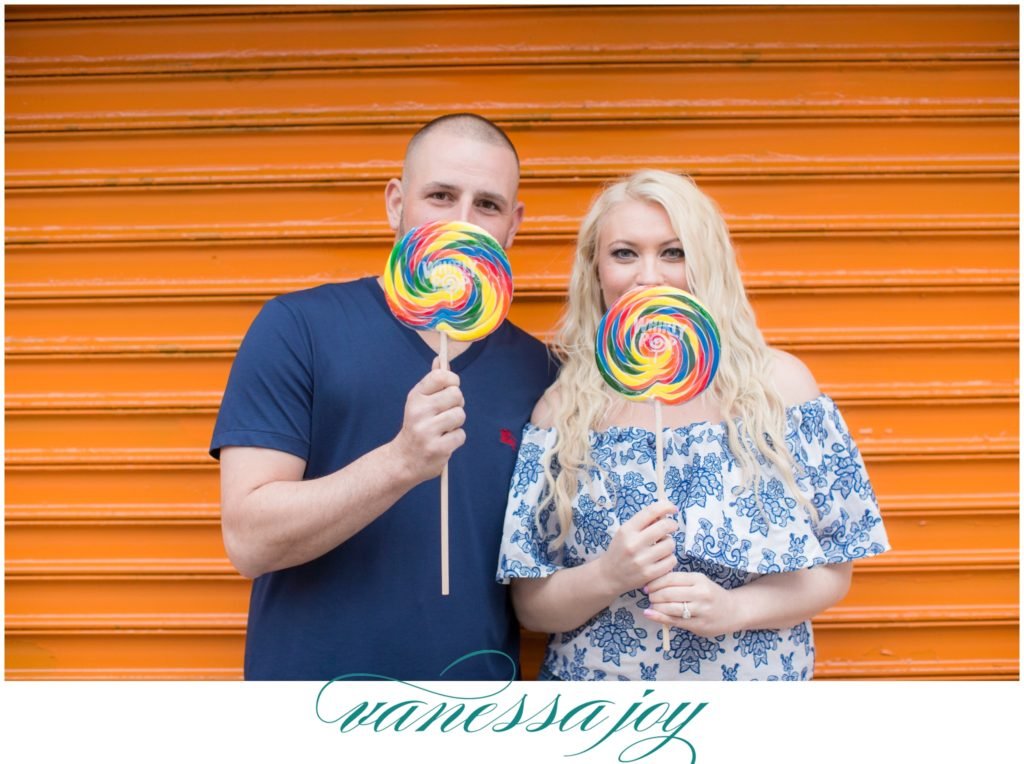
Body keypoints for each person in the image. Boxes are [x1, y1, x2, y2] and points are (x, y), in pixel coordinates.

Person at [496, 169, 890, 681]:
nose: (649, 276)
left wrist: (735, 609)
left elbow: (835, 571)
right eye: (624, 253)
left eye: (674, 252)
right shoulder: (561, 411)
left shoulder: (781, 389)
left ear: (707, 263)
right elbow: (532, 607)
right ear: (596, 269)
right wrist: (608, 574)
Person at [211, 113, 557, 680]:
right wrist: (401, 462)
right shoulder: (297, 328)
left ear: (513, 225)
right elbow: (249, 541)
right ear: (396, 204)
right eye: (440, 196)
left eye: (487, 205)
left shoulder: (541, 373)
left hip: (475, 711)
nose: (462, 222)